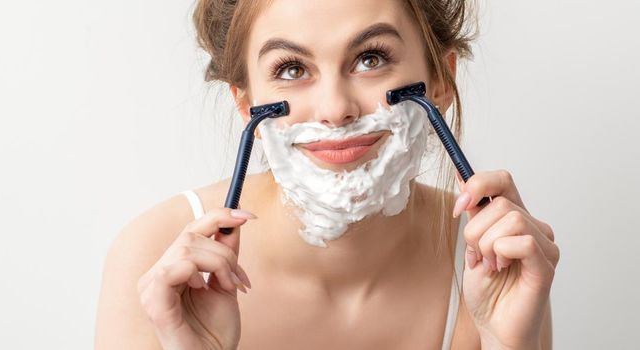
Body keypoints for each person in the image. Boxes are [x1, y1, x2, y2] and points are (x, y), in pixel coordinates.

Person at [95, 0, 560, 348]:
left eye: (371, 59)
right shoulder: (156, 259)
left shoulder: (493, 262)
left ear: (439, 82)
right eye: (292, 68)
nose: (336, 110)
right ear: (245, 104)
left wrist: (507, 345)